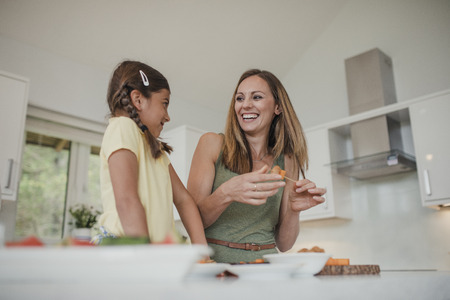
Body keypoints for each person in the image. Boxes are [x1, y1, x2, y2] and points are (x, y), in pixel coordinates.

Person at [187, 69, 326, 263]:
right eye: (240, 98)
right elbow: (192, 221)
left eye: (257, 97)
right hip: (217, 266)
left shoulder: (287, 160)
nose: (246, 105)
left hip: (266, 266)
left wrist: (294, 211)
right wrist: (226, 193)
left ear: (277, 107)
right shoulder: (212, 144)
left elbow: (284, 244)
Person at [95, 60, 207, 246]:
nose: (167, 116)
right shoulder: (123, 127)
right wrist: (145, 255)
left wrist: (202, 252)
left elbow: (184, 200)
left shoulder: (157, 151)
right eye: (164, 103)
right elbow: (127, 200)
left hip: (155, 254)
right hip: (130, 252)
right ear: (138, 100)